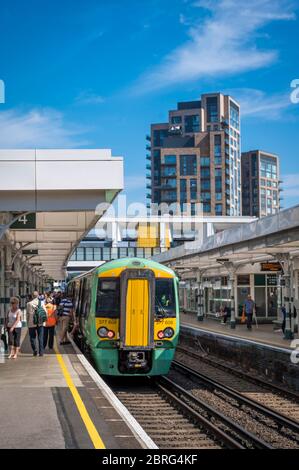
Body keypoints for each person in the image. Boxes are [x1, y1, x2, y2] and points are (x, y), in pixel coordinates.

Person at [26, 291, 48, 357]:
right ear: (38, 296)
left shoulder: (29, 304)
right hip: (40, 323)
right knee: (40, 338)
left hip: (31, 323)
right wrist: (44, 321)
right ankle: (41, 352)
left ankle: (35, 350)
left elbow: (27, 314)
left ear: (32, 296)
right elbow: (45, 312)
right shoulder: (41, 302)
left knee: (32, 337)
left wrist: (27, 323)